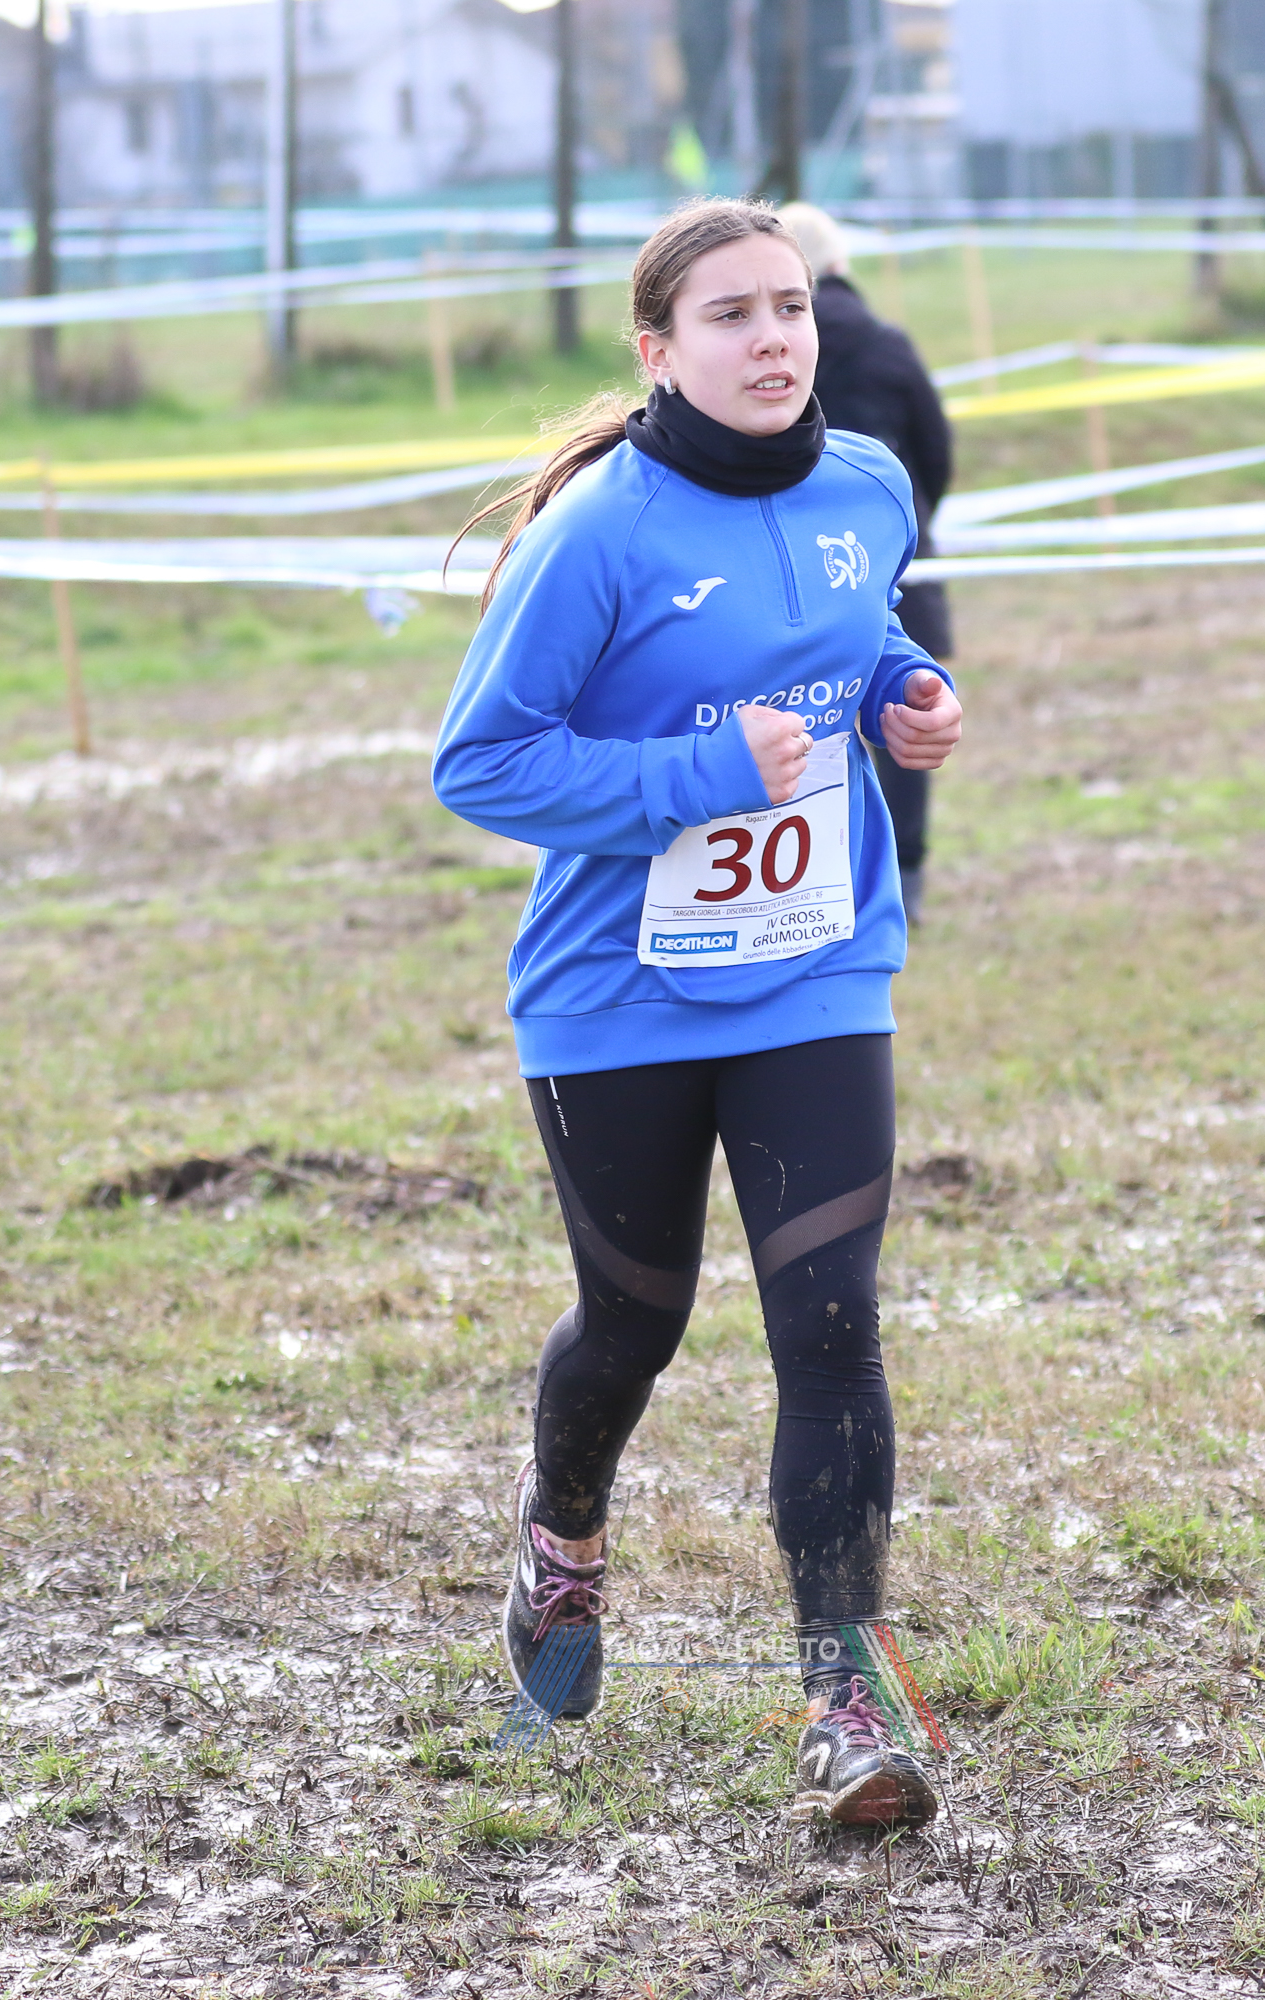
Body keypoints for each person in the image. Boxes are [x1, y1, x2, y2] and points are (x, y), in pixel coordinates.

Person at [433, 197, 966, 1829]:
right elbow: (481, 762)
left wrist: (901, 695)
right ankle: (562, 1542)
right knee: (633, 1325)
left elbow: (854, 634)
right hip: (620, 993)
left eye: (789, 307)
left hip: (815, 963)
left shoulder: (867, 485)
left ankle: (848, 1700)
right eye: (730, 316)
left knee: (832, 1324)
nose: (773, 339)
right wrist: (701, 775)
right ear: (659, 350)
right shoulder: (599, 531)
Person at [775, 203, 954, 915]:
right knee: (908, 718)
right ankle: (903, 874)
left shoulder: (760, 349)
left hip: (780, 561)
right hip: (886, 558)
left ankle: (815, 880)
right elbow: (935, 452)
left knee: (797, 724)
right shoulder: (886, 345)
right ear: (839, 262)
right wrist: (905, 527)